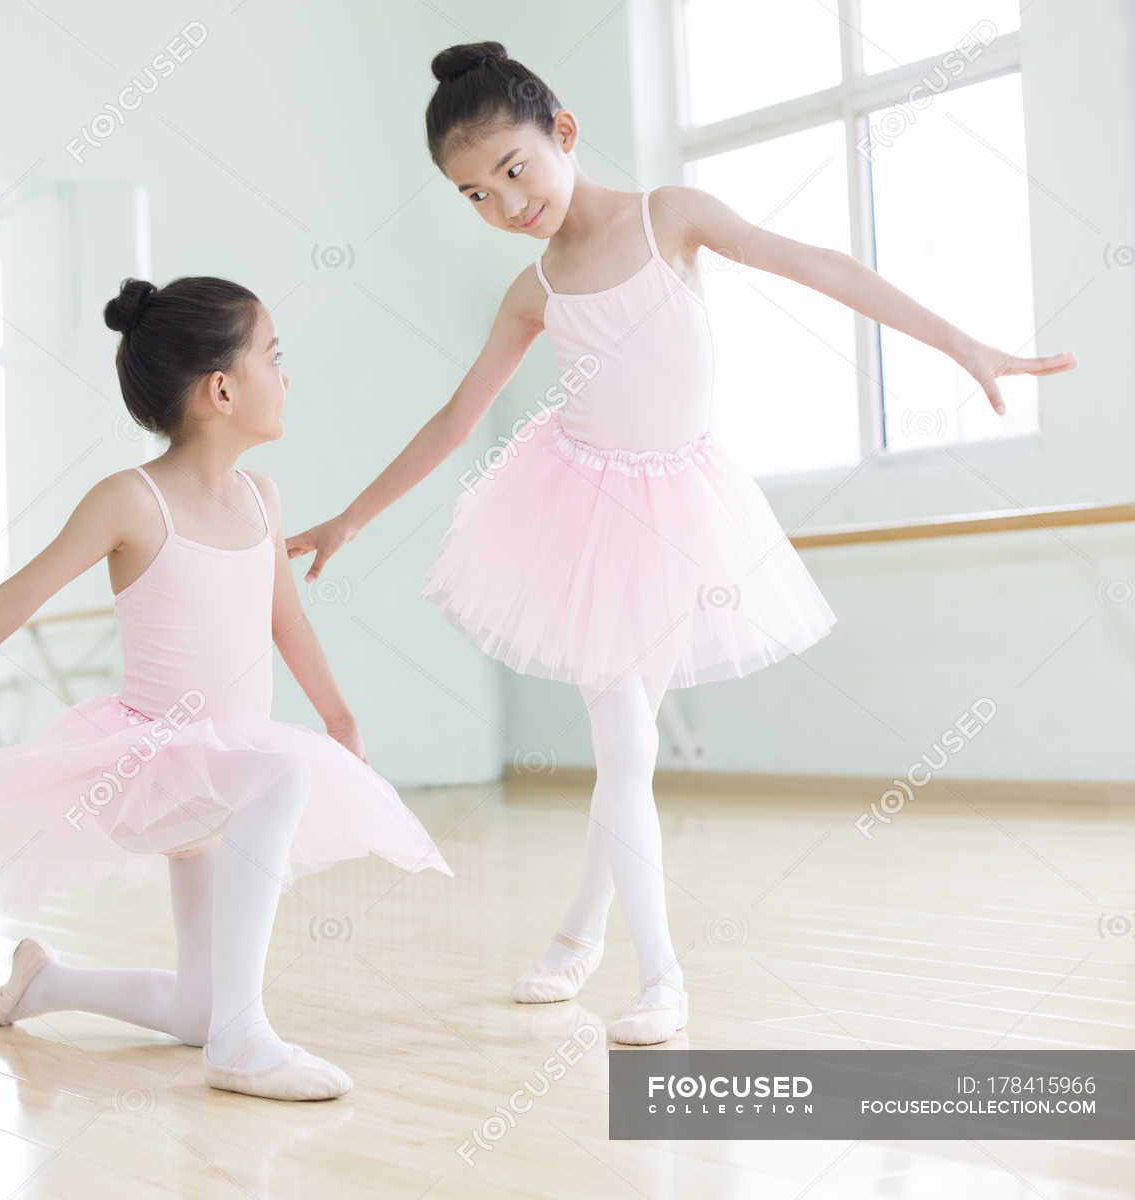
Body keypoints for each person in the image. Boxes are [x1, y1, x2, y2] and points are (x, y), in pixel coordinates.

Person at [286, 42, 1077, 1044]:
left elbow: (821, 268)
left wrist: (960, 342)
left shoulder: (675, 218)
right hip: (580, 518)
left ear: (563, 132)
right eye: (474, 195)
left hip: (682, 513)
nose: (506, 203)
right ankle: (660, 978)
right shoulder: (535, 291)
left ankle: (576, 937)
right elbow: (455, 418)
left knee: (626, 756)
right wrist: (351, 515)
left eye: (514, 169)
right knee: (625, 749)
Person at [0, 275, 452, 1099]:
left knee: (199, 1006)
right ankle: (245, 1042)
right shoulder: (131, 499)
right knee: (281, 775)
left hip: (230, 762)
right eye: (274, 355)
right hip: (154, 765)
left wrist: (338, 716)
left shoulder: (261, 497)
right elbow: (17, 597)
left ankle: (45, 984)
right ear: (222, 389)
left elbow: (284, 618)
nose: (286, 375)